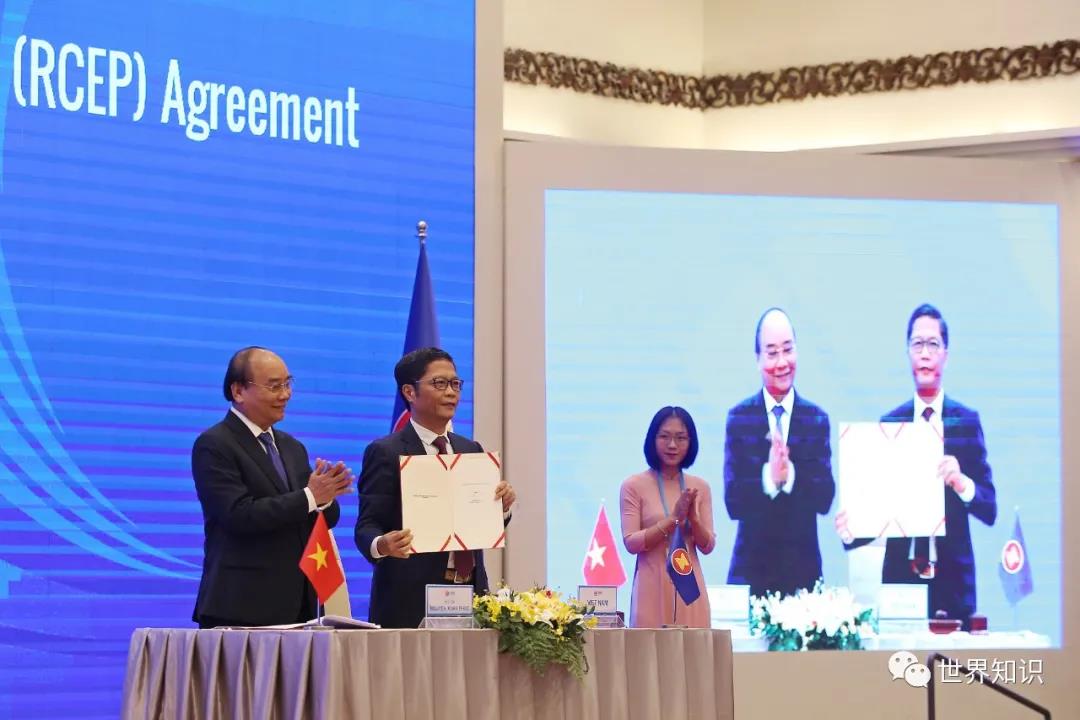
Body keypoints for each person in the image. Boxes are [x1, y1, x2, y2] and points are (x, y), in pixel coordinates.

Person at [836, 304, 996, 627]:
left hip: (954, 587)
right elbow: (877, 510)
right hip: (900, 583)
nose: (924, 353)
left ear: (946, 354)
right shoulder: (890, 424)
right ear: (908, 352)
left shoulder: (965, 422)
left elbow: (989, 509)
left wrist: (962, 482)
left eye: (933, 344)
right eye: (917, 344)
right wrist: (852, 528)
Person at [192, 347, 354, 628]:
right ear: (238, 391)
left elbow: (318, 520)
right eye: (274, 386)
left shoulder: (292, 447)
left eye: (288, 384)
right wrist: (310, 496)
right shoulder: (215, 444)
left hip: (299, 604)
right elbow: (238, 515)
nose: (285, 394)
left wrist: (325, 498)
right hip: (241, 605)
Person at [355, 347, 516, 628]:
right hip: (409, 599)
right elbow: (367, 525)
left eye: (455, 383)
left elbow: (478, 525)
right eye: (440, 383)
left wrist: (499, 509)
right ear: (409, 392)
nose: (451, 392)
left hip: (470, 593)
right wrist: (382, 545)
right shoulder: (386, 451)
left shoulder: (471, 449)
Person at [724, 308, 835, 598]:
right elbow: (733, 502)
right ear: (758, 358)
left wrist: (791, 475)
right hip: (751, 576)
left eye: (788, 349)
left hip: (803, 579)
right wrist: (769, 479)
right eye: (772, 353)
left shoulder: (815, 420)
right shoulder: (740, 418)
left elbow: (825, 498)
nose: (782, 362)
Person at [621, 406, 715, 628]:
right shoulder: (633, 485)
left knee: (692, 648)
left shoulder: (700, 486)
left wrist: (693, 519)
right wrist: (673, 519)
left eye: (681, 438)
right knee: (647, 649)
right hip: (651, 585)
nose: (672, 445)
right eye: (664, 436)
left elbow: (708, 545)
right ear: (652, 439)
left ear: (691, 442)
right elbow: (631, 542)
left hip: (689, 588)